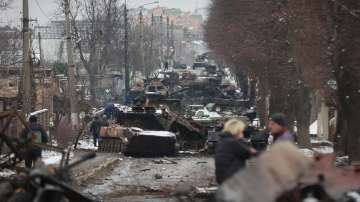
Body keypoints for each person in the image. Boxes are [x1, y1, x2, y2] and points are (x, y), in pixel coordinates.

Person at [215, 119, 257, 184]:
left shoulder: (223, 140)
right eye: (241, 131)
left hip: (223, 177)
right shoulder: (232, 142)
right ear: (237, 130)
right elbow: (250, 153)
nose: (242, 133)